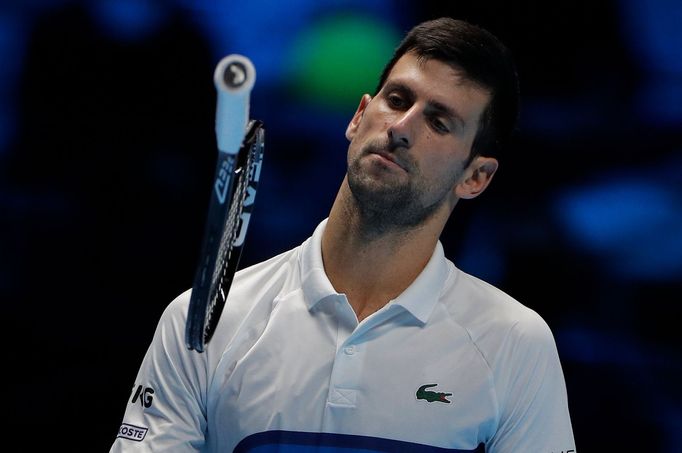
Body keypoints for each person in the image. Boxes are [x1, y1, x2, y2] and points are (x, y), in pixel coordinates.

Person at [111, 17, 575, 453]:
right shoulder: (204, 321)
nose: (401, 128)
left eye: (438, 122)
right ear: (359, 117)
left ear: (476, 177)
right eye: (396, 100)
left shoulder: (516, 343)